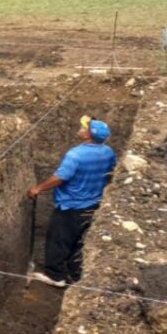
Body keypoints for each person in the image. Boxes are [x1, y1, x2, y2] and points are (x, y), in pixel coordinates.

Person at [27, 116, 116, 287]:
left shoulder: (75, 155)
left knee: (58, 240)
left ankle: (56, 275)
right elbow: (110, 172)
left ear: (88, 135)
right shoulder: (108, 152)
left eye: (84, 127)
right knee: (77, 241)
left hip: (71, 206)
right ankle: (75, 274)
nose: (80, 128)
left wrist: (38, 188)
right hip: (93, 204)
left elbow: (60, 177)